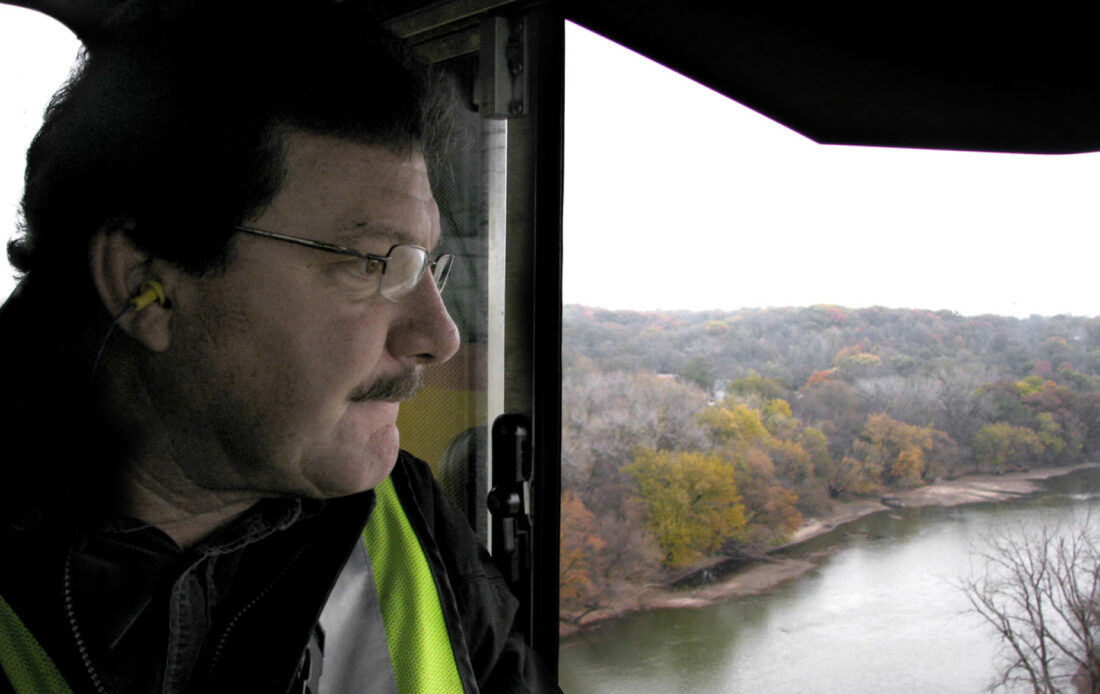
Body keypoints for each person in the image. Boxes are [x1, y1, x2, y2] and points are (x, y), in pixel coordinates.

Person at [0, 1, 561, 692]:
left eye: (425, 266)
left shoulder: (405, 518)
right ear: (147, 285)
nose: (439, 337)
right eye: (372, 264)